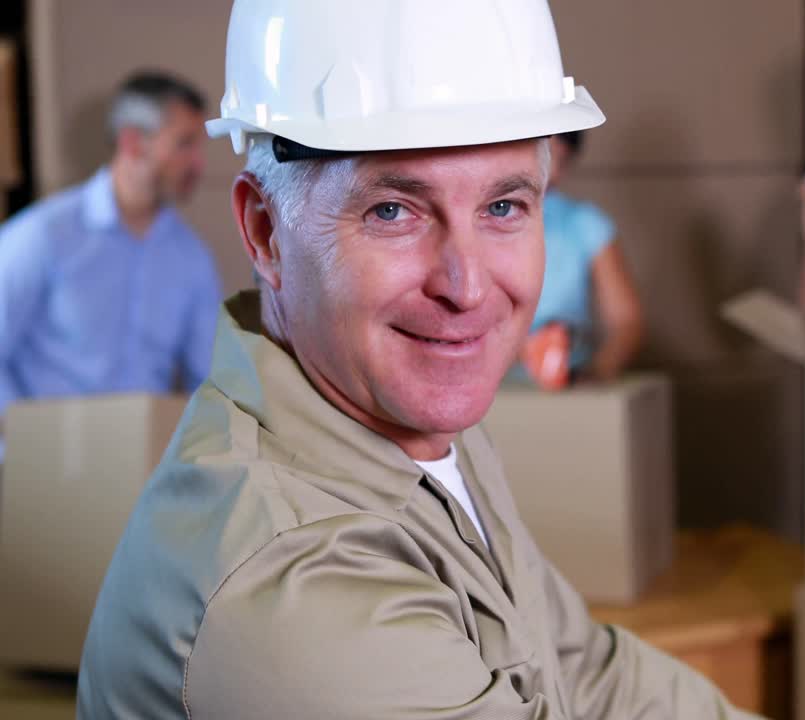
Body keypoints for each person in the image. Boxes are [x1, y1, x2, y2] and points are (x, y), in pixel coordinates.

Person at [77, 2, 760, 718]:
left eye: (503, 207)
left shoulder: (417, 429)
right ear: (265, 231)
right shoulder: (296, 596)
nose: (466, 289)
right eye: (392, 212)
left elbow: (581, 671)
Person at [0, 71, 220, 453]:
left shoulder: (192, 258)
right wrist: (20, 444)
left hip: (145, 473)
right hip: (44, 468)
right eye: (185, 144)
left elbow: (212, 380)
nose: (198, 163)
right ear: (134, 142)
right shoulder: (42, 236)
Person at [521, 131, 644, 385]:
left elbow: (626, 321)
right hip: (486, 380)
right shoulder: (481, 216)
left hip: (563, 378)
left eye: (558, 157)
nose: (549, 167)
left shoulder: (584, 224)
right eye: (540, 152)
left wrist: (596, 373)